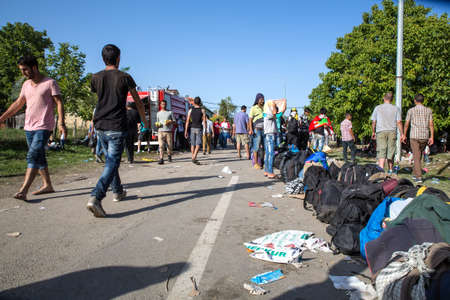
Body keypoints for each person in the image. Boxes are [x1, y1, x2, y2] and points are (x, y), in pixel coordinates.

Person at [87, 44, 148, 217]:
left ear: (102, 58)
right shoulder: (125, 77)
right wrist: (143, 120)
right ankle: (96, 197)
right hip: (116, 125)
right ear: (119, 58)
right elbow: (137, 101)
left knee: (110, 162)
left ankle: (118, 191)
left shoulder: (95, 77)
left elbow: (100, 100)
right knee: (112, 162)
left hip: (100, 125)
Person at [0, 55, 67, 201]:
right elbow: (18, 103)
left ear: (34, 67)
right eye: (21, 70)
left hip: (44, 126)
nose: (23, 73)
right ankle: (47, 185)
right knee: (39, 156)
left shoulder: (50, 82)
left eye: (25, 69)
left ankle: (23, 190)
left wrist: (61, 123)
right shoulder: (26, 85)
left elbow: (59, 103)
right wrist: (2, 118)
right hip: (29, 127)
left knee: (33, 155)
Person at [402, 93, 434, 184]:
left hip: (414, 136)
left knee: (416, 156)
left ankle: (419, 176)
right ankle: (415, 172)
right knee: (418, 155)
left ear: (415, 100)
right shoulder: (428, 111)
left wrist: (404, 134)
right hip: (424, 136)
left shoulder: (411, 111)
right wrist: (431, 136)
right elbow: (431, 124)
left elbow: (407, 124)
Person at [371, 92, 403, 173]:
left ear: (384, 98)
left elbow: (374, 121)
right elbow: (399, 122)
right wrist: (402, 134)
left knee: (381, 150)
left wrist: (373, 131)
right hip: (392, 131)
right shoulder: (396, 108)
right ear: (392, 99)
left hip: (381, 131)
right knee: (391, 150)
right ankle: (390, 169)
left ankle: (381, 170)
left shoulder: (377, 108)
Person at [185, 96, 206, 164]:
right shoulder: (202, 110)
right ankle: (194, 157)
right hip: (199, 128)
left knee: (193, 144)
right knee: (198, 144)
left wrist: (185, 130)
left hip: (192, 128)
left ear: (194, 102)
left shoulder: (190, 110)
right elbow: (204, 121)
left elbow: (187, 121)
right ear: (200, 102)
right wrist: (205, 130)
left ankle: (193, 157)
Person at [249, 93, 265, 169]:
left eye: (263, 99)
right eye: (261, 99)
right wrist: (251, 129)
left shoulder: (265, 107)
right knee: (256, 147)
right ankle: (255, 163)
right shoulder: (253, 108)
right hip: (256, 129)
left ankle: (262, 163)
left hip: (265, 130)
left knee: (264, 147)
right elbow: (250, 119)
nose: (262, 100)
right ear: (257, 100)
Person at [156, 99, 174, 164]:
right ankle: (161, 159)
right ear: (160, 105)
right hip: (160, 131)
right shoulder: (158, 113)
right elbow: (157, 122)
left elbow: (174, 121)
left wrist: (170, 121)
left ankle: (169, 155)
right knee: (161, 145)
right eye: (162, 104)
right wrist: (157, 125)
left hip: (168, 131)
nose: (164, 105)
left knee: (169, 145)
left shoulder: (170, 112)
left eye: (165, 104)